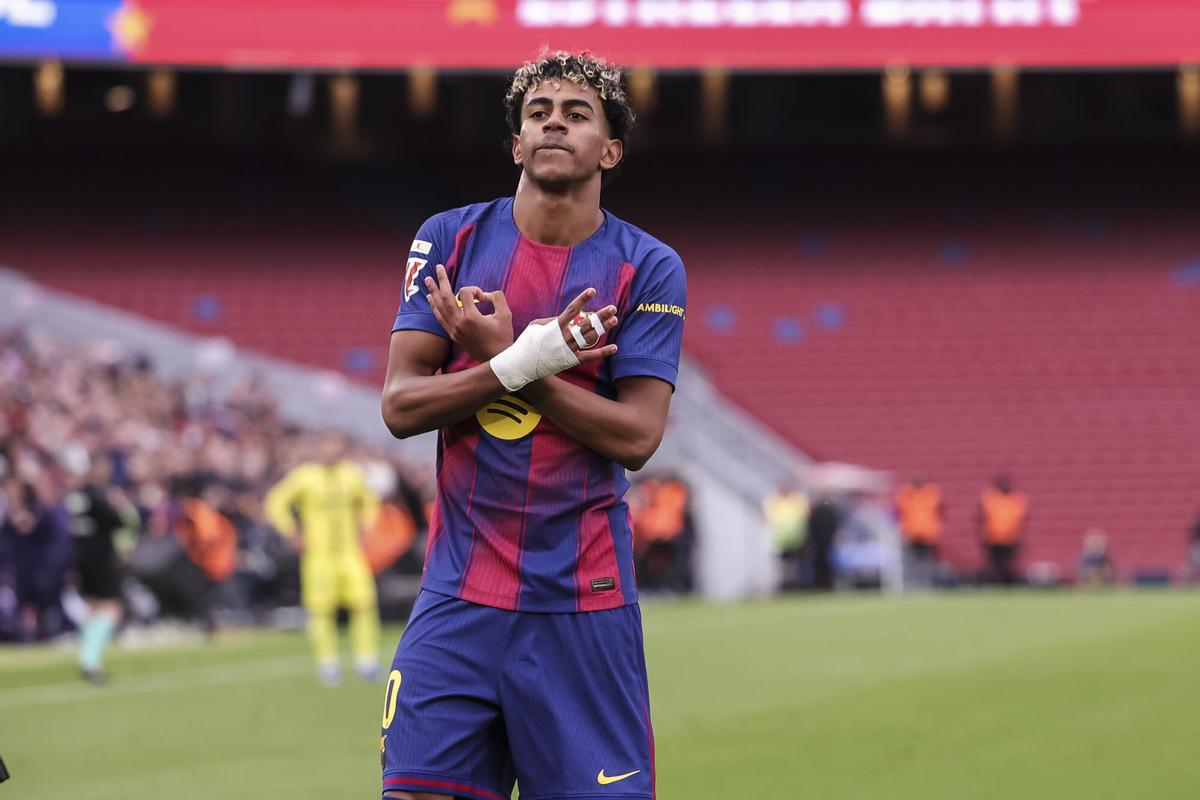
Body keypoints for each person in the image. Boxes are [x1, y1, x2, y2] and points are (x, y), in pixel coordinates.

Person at [378, 50, 685, 800]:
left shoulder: (647, 266)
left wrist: (519, 364)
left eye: (577, 114)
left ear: (609, 150)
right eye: (538, 113)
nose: (554, 123)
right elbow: (399, 406)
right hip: (458, 598)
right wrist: (520, 362)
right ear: (516, 143)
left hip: (583, 603)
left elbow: (637, 438)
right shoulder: (449, 240)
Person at [264, 432, 382, 686]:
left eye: (336, 445)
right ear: (320, 449)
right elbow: (276, 502)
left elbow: (370, 502)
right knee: (321, 610)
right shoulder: (305, 477)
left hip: (349, 552)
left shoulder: (351, 474)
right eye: (327, 445)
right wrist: (291, 531)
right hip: (319, 555)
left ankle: (366, 661)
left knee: (364, 603)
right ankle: (327, 664)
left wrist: (367, 526)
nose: (331, 450)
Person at [64, 455, 138, 683]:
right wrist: (120, 504)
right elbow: (121, 521)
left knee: (95, 608)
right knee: (111, 609)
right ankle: (90, 661)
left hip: (82, 561)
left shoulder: (77, 497)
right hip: (101, 561)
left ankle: (87, 657)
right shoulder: (97, 496)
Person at [978, 474, 1028, 585]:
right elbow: (981, 517)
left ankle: (1007, 583)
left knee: (1008, 564)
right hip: (993, 538)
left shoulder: (1016, 499)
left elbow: (1021, 520)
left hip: (1011, 538)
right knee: (994, 564)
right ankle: (994, 583)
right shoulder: (990, 498)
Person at [895, 476, 943, 589]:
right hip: (911, 533)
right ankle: (913, 583)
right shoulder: (907, 494)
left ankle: (926, 582)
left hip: (927, 533)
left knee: (925, 560)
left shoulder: (930, 493)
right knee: (912, 560)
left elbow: (939, 511)